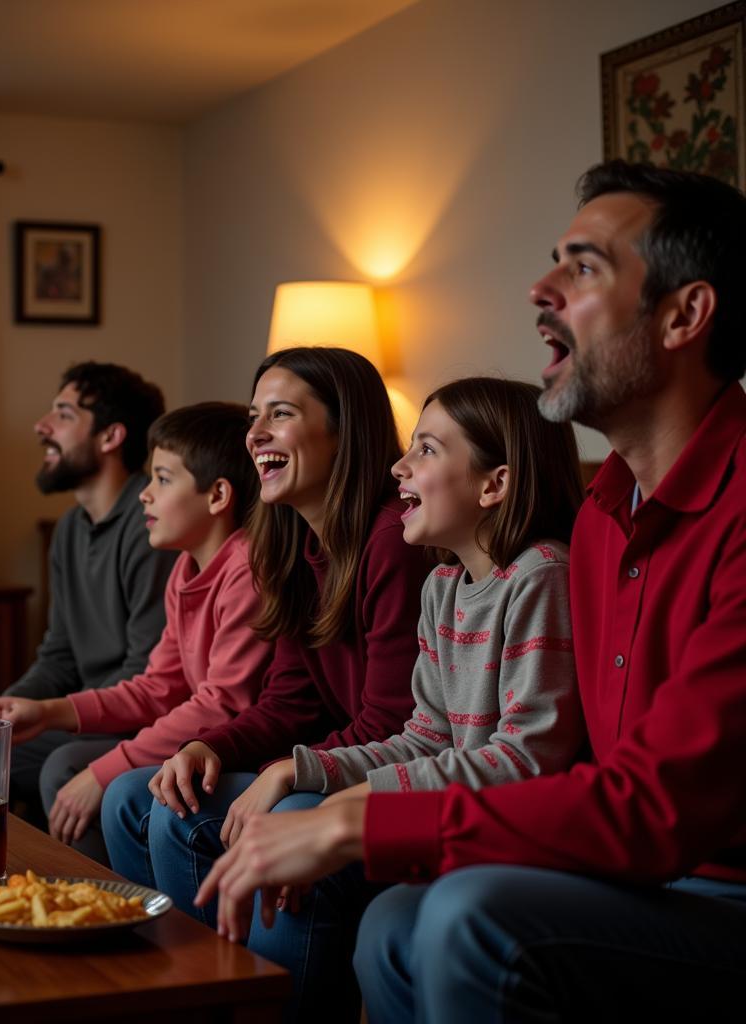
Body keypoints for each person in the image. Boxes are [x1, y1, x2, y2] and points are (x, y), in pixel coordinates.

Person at [194, 161, 746, 1022]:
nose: (541, 286)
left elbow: (652, 804)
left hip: (718, 893)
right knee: (394, 923)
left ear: (684, 314)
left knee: (463, 916)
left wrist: (350, 820)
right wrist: (320, 788)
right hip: (630, 871)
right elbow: (450, 736)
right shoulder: (604, 517)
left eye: (584, 266)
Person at [102, 347, 427, 1014]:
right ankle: (188, 996)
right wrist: (211, 748)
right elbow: (287, 701)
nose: (254, 435)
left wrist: (289, 771)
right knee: (142, 797)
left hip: (387, 777)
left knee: (263, 814)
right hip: (332, 761)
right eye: (254, 416)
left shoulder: (393, 539)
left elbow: (394, 725)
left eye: (281, 415)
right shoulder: (288, 542)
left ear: (347, 431)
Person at [0, 402, 272, 864]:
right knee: (62, 767)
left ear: (217, 496)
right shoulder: (186, 569)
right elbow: (159, 688)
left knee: (80, 774)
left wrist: (107, 769)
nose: (144, 495)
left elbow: (221, 704)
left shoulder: (247, 571)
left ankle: (121, 909)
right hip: (205, 743)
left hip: (239, 752)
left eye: (163, 480)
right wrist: (50, 711)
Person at [0, 362, 177, 830]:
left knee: (52, 763)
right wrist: (0, 714)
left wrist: (55, 715)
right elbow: (59, 655)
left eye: (63, 414)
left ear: (110, 437)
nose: (42, 426)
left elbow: (149, 675)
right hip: (85, 713)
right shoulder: (68, 529)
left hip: (133, 721)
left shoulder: (153, 528)